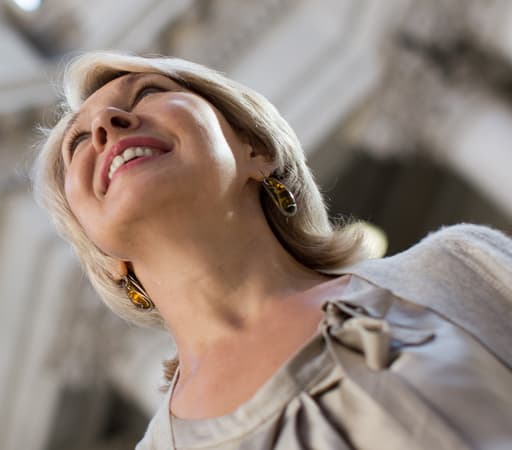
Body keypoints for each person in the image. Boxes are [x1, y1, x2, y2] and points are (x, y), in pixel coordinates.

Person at [32, 51, 512, 450]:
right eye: (77, 143)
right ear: (103, 254)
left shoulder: (461, 268)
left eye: (149, 92)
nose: (108, 125)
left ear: (255, 150)